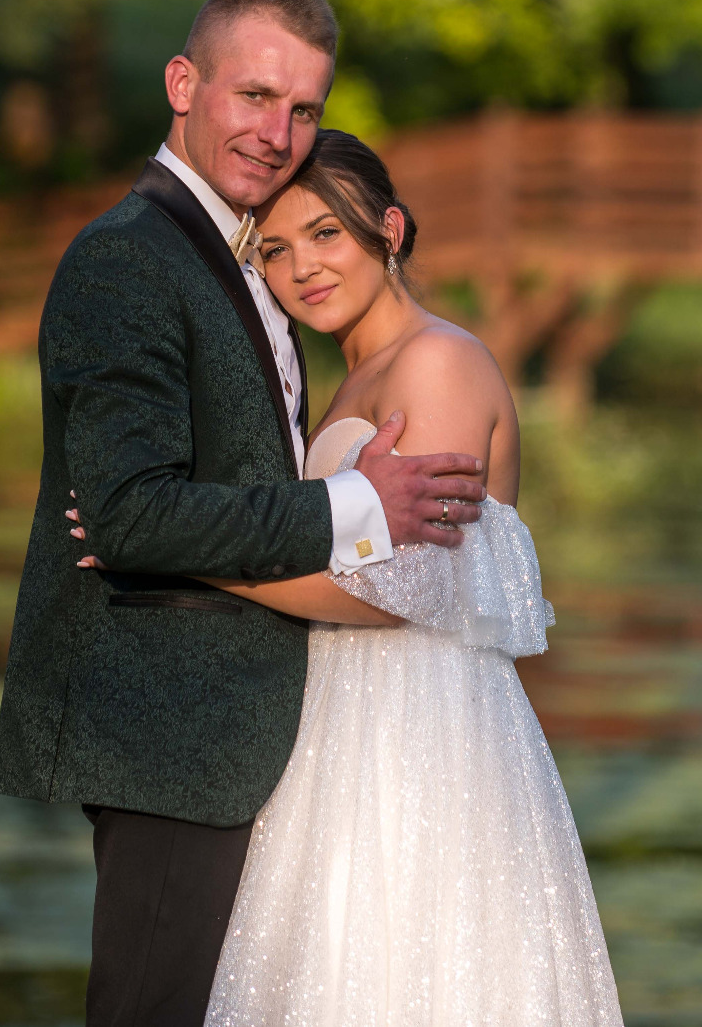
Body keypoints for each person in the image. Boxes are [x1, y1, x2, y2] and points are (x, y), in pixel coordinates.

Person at [0, 0, 489, 1027]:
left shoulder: (241, 251)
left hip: (245, 737)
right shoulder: (128, 259)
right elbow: (126, 513)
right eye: (254, 96)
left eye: (302, 110)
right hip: (167, 727)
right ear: (183, 83)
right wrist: (353, 504)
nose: (277, 132)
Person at [80, 130, 626, 1026]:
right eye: (276, 250)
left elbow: (410, 592)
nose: (303, 268)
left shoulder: (437, 361)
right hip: (338, 717)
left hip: (420, 733)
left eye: (327, 234)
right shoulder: (347, 381)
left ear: (391, 230)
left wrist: (177, 555)